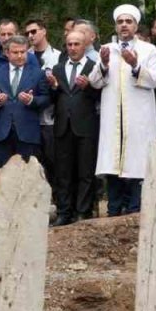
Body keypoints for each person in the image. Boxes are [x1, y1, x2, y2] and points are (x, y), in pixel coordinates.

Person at [96, 4, 156, 216]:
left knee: (136, 160)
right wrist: (104, 64)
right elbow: (95, 82)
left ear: (136, 25)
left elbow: (154, 80)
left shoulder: (147, 49)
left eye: (128, 21)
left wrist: (135, 65)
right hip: (113, 116)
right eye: (120, 22)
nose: (124, 25)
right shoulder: (107, 49)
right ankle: (113, 209)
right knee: (113, 161)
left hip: (137, 115)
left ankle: (134, 209)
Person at [47, 30, 106, 225]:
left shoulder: (93, 67)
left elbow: (101, 97)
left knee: (85, 172)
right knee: (63, 172)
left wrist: (88, 87)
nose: (72, 48)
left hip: (86, 126)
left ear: (85, 46)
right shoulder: (57, 68)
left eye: (76, 44)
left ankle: (83, 211)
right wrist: (54, 87)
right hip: (63, 126)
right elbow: (53, 99)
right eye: (69, 44)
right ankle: (65, 211)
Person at [0, 35, 50, 171]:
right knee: (2, 174)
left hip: (27, 134)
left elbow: (46, 98)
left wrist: (32, 100)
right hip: (2, 133)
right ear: (7, 53)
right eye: (15, 52)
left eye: (23, 52)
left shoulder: (38, 74)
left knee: (28, 175)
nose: (20, 56)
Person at [25, 17, 62, 201]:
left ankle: (56, 199)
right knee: (33, 162)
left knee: (52, 160)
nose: (31, 36)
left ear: (44, 31)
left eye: (34, 31)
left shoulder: (57, 56)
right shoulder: (24, 55)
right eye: (28, 33)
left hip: (50, 118)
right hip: (30, 118)